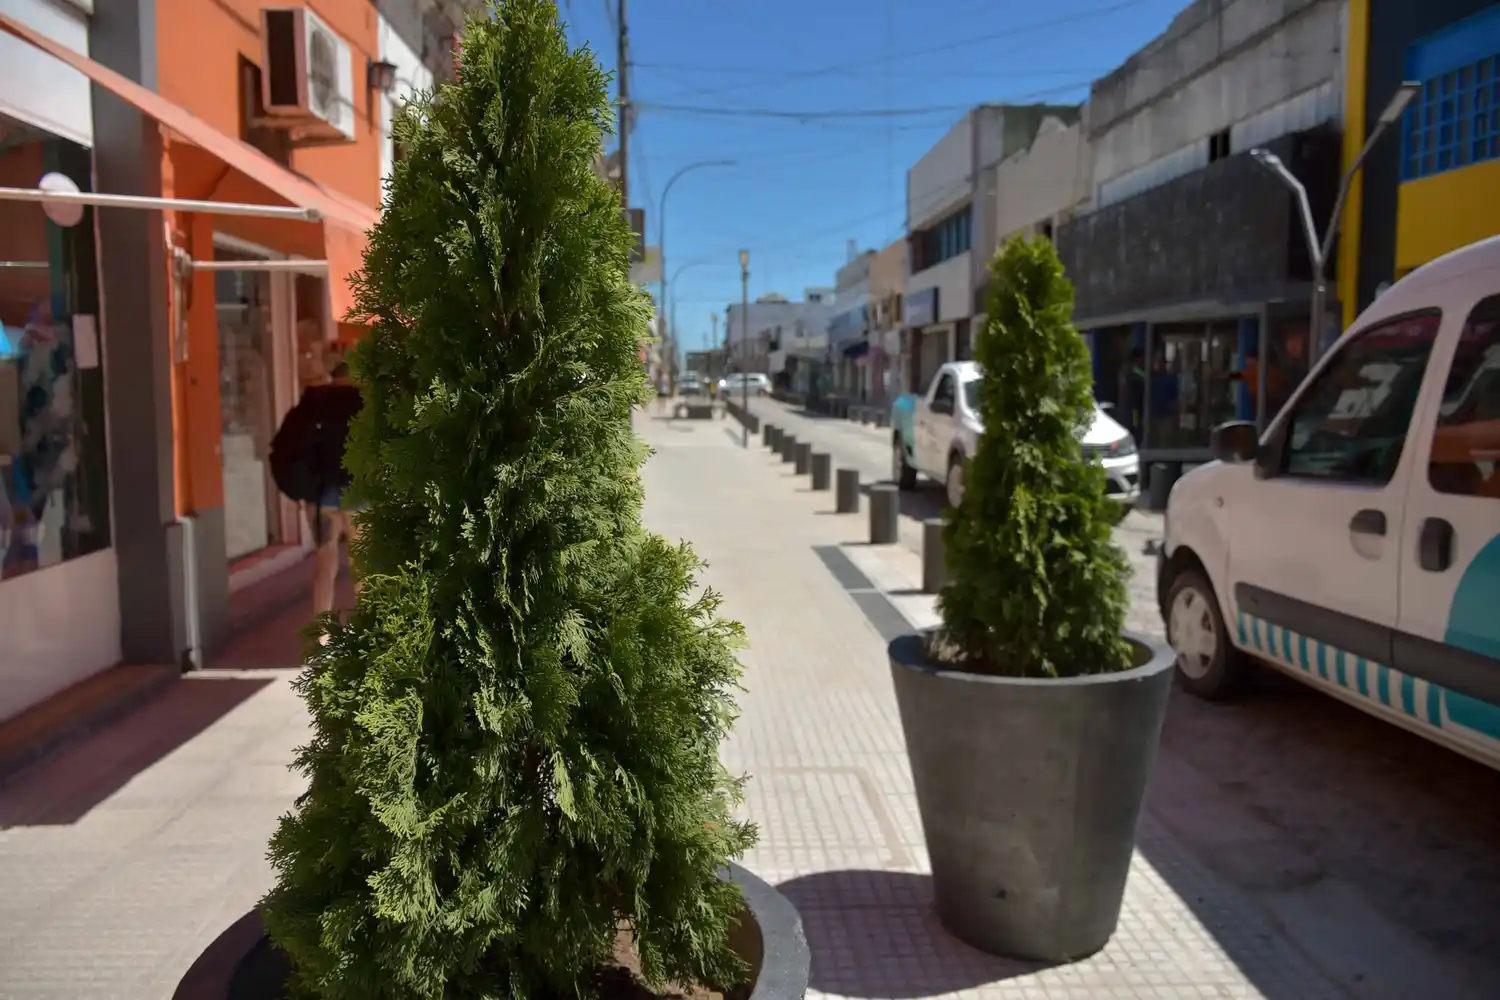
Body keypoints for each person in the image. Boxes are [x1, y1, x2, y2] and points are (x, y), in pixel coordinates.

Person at [270, 355, 365, 625]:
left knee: (325, 566)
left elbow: (285, 449)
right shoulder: (368, 404)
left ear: (331, 375)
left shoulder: (311, 404)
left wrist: (303, 490)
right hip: (360, 494)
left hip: (322, 496)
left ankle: (321, 638)